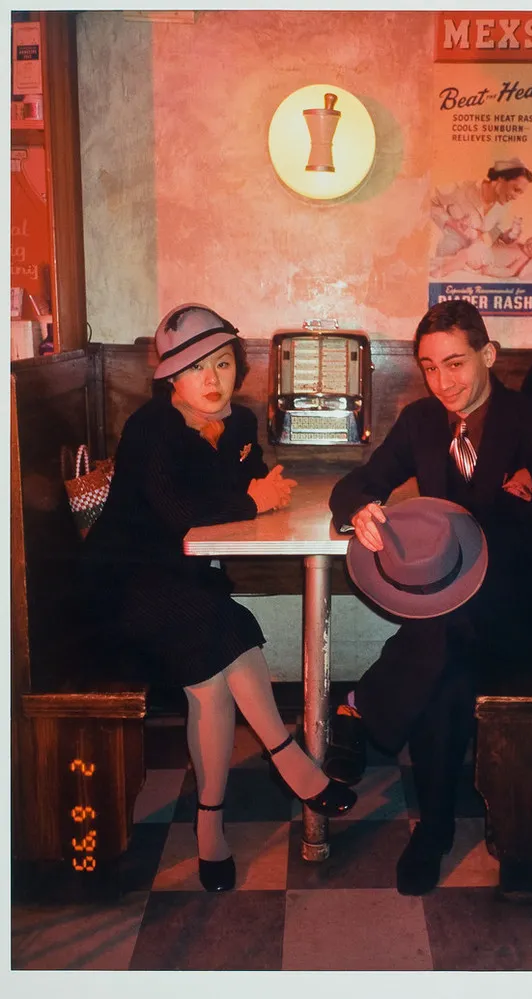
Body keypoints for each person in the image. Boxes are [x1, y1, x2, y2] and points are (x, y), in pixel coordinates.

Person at [82, 304, 356, 892]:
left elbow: (247, 475)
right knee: (225, 628)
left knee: (209, 670)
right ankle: (290, 761)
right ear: (171, 379)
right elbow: (179, 512)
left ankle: (211, 825)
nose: (212, 380)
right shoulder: (150, 428)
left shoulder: (239, 423)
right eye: (196, 368)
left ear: (239, 368)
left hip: (186, 582)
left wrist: (265, 485)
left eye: (223, 364)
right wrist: (254, 502)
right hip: (122, 583)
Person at [323, 300, 532, 896]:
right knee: (445, 675)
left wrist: (482, 522)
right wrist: (359, 509)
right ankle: (434, 830)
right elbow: (355, 482)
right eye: (430, 367)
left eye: (457, 364)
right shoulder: (420, 422)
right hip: (455, 619)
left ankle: (361, 712)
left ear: (488, 355)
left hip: (522, 607)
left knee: (438, 637)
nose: (444, 382)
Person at [431, 157, 532, 258]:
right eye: (515, 190)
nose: (516, 197)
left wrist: (507, 237)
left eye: (520, 193)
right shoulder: (462, 189)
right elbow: (429, 202)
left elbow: (496, 231)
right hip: (448, 253)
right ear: (501, 179)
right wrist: (451, 222)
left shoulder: (504, 205)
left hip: (474, 259)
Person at [431, 230, 532, 280]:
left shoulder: (523, 258)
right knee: (460, 256)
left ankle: (441, 271)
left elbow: (510, 272)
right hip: (484, 250)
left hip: (487, 260)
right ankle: (442, 264)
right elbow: (502, 243)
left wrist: (491, 271)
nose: (531, 245)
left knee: (464, 255)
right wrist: (508, 235)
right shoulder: (519, 244)